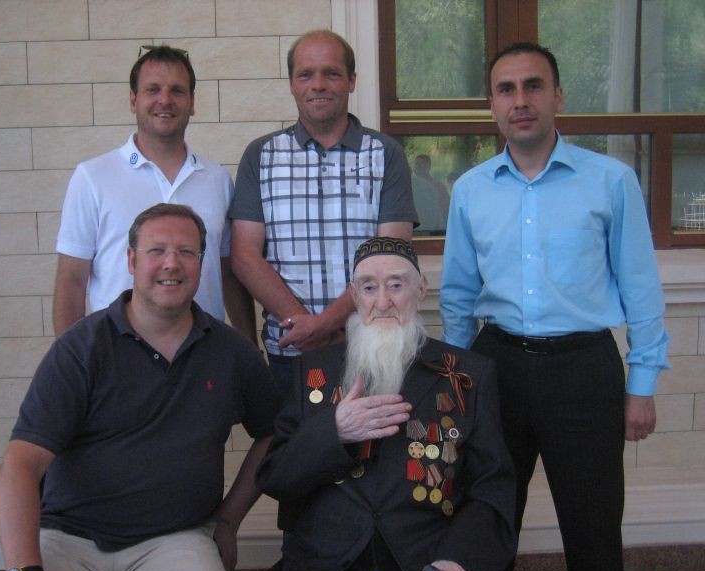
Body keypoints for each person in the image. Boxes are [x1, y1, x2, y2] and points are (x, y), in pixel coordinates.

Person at [440, 42, 670, 571]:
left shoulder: (610, 181)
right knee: (489, 521)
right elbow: (458, 295)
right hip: (496, 369)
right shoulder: (471, 190)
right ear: (492, 105)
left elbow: (641, 288)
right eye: (506, 89)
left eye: (533, 86)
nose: (520, 100)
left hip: (583, 370)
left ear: (558, 96)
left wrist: (642, 385)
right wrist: (454, 381)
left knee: (593, 530)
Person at [0, 204, 281, 571]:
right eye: (156, 250)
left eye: (186, 252)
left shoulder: (232, 352)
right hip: (69, 539)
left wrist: (229, 520)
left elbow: (275, 433)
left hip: (177, 540)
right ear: (131, 260)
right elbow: (20, 464)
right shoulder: (80, 348)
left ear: (201, 263)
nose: (172, 264)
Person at [252, 237, 516, 571]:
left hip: (425, 566)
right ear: (354, 296)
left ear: (420, 290)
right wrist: (334, 431)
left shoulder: (468, 374)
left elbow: (492, 486)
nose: (382, 302)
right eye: (369, 288)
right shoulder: (313, 371)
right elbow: (276, 478)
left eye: (396, 285)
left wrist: (460, 558)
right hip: (328, 569)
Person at [229, 30, 418, 393]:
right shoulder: (261, 156)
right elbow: (244, 255)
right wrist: (305, 326)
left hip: (372, 345)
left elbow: (393, 255)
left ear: (352, 80)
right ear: (291, 84)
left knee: (378, 433)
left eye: (331, 73)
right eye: (306, 74)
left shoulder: (386, 154)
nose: (318, 85)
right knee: (293, 433)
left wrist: (326, 324)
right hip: (291, 350)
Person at [53, 45, 255, 340]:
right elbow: (71, 281)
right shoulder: (92, 177)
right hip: (117, 353)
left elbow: (228, 276)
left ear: (192, 102)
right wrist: (71, 361)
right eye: (152, 89)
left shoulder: (217, 180)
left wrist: (250, 349)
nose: (165, 100)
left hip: (203, 354)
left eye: (177, 91)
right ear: (133, 100)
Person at [412, 154, 450, 234]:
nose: (418, 166)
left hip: (433, 230)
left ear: (428, 166)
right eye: (417, 163)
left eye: (422, 163)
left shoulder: (438, 186)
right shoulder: (409, 186)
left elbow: (445, 208)